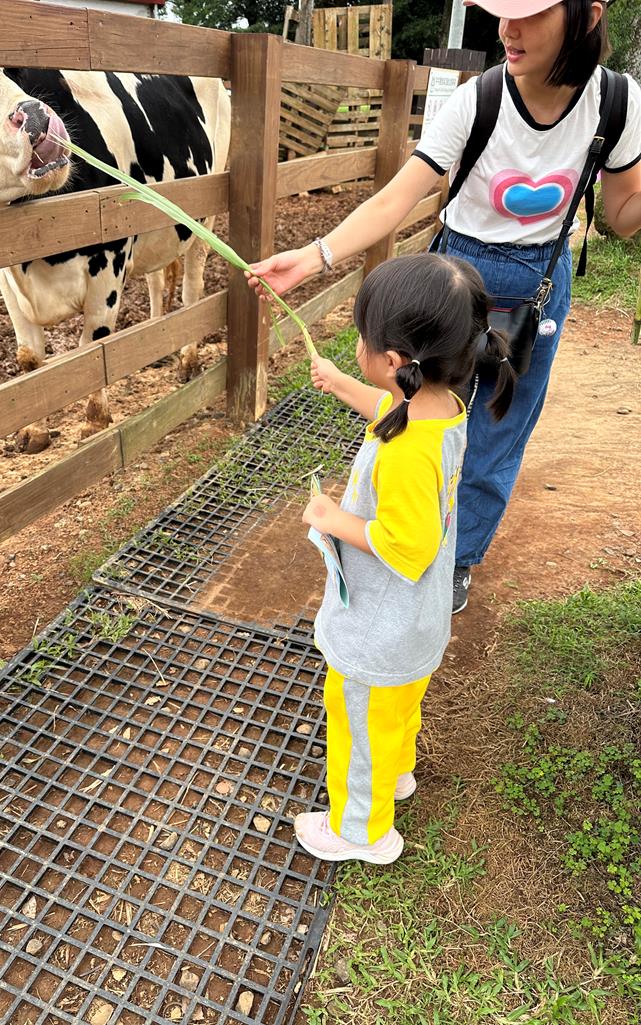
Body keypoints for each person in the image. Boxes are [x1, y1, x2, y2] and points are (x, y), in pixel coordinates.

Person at [249, 0, 641, 614]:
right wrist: (313, 257)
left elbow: (622, 215)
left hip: (539, 284)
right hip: (455, 277)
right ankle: (403, 529)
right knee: (425, 412)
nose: (507, 30)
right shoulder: (477, 100)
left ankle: (455, 559)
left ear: (587, 17)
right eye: (502, 11)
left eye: (531, 13)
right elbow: (395, 199)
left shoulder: (616, 103)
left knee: (498, 430)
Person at [294, 253, 515, 864]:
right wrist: (341, 383)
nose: (357, 346)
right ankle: (394, 773)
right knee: (393, 710)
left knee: (357, 720)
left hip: (380, 628)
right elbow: (392, 410)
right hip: (415, 621)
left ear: (393, 362)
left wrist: (333, 519)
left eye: (362, 338)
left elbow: (406, 545)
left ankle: (361, 832)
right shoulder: (441, 409)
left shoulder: (405, 454)